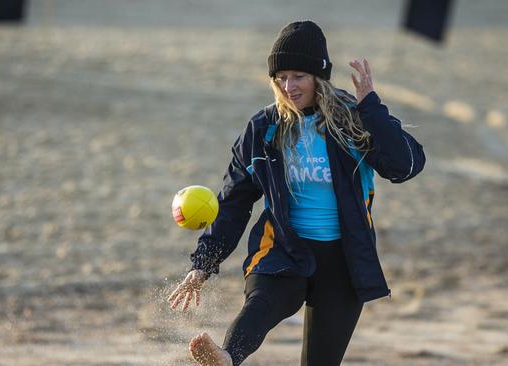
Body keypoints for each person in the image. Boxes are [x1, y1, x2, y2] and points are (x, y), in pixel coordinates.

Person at [167, 20, 425, 366]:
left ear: (318, 76)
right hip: (284, 247)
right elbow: (233, 202)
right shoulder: (263, 129)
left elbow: (404, 166)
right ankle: (227, 358)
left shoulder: (352, 118)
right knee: (264, 299)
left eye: (298, 76)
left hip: (344, 258)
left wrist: (372, 109)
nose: (288, 86)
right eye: (281, 76)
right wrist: (202, 265)